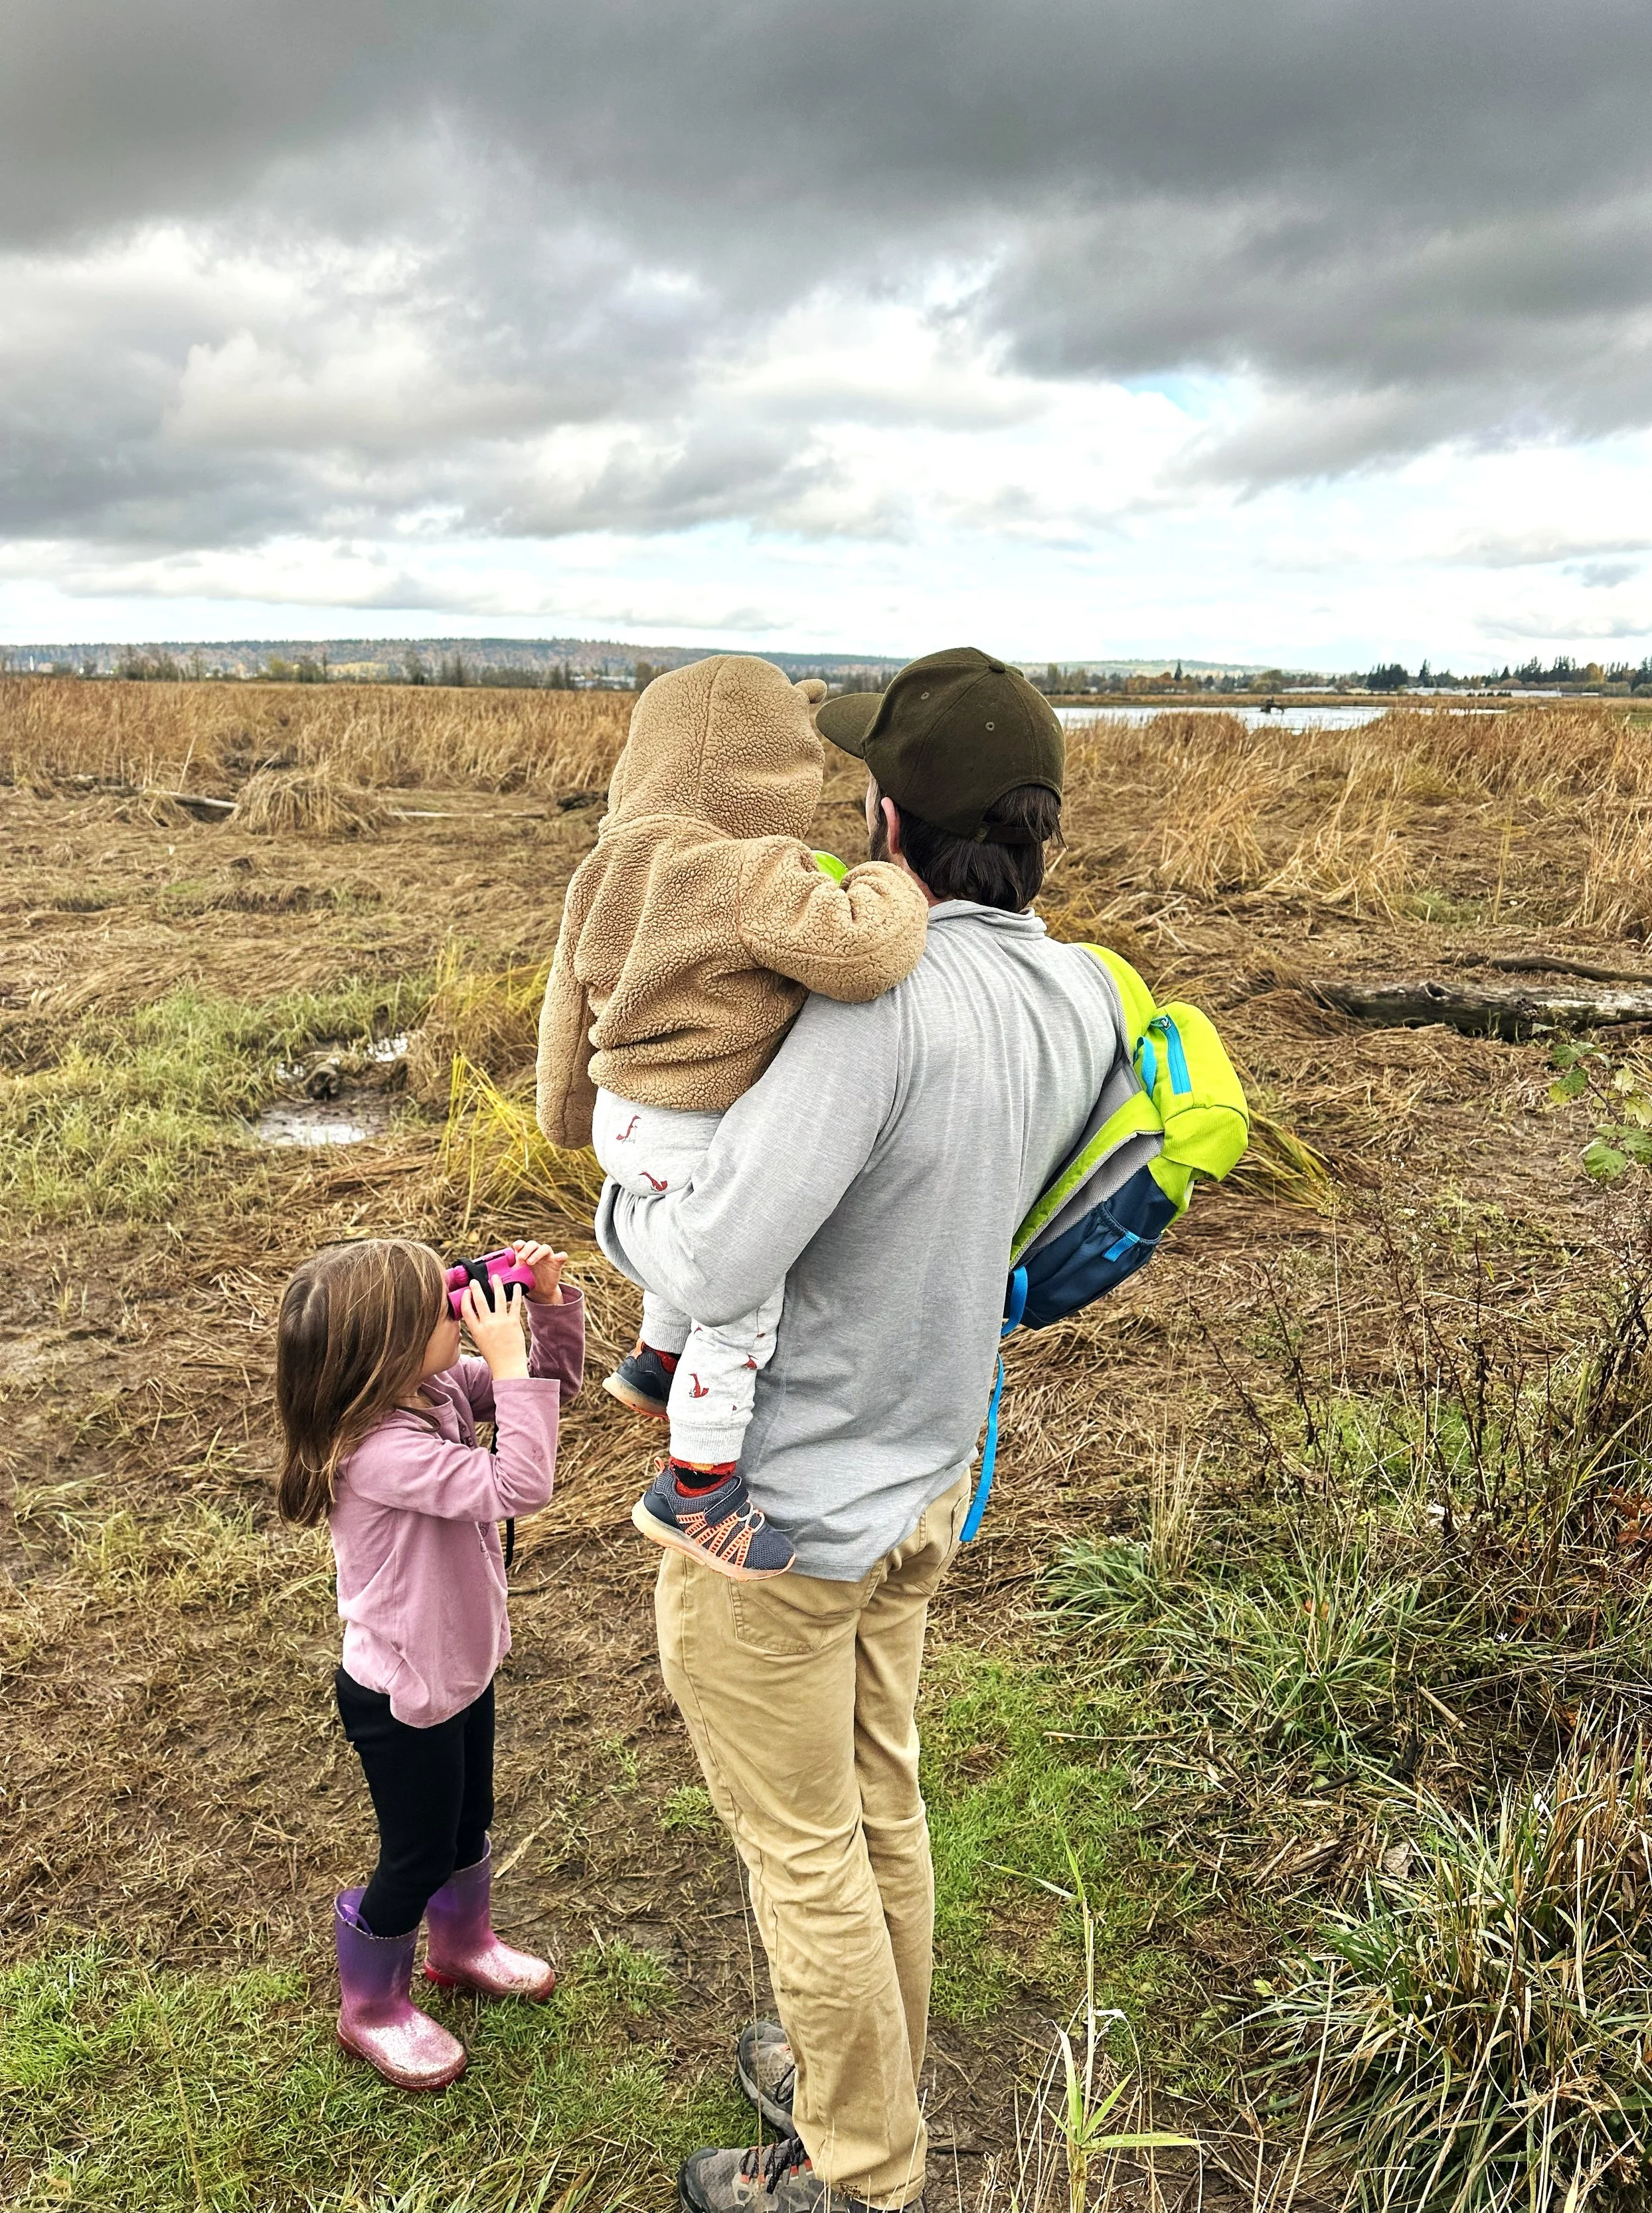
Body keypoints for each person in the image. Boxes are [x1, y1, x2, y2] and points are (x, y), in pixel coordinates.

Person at [598, 647, 1125, 2213]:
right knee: (877, 1802)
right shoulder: (1078, 990)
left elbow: (711, 1257)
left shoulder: (879, 1010)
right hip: (923, 1487)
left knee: (803, 1853)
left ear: (889, 815)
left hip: (781, 1516)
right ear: (1036, 827)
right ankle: (861, 2073)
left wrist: (628, 1205)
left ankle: (854, 2169)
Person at [535, 652, 928, 1580]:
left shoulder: (607, 866)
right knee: (742, 1295)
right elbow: (861, 956)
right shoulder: (748, 871)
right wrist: (890, 886)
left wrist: (562, 1115)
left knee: (680, 1227)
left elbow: (564, 1003)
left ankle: (654, 1365)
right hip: (695, 1125)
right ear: (775, 772)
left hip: (622, 1124)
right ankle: (698, 1487)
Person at [275, 1235, 584, 2091]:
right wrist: (510, 1358)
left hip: (462, 1665)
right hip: (403, 1689)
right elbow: (520, 1483)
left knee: (467, 1820)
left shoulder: (432, 1383)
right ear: (389, 1353)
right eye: (442, 1309)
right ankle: (371, 2009)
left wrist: (547, 1309)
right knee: (414, 1854)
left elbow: (547, 1392)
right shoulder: (379, 1451)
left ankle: (462, 1946)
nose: (463, 1312)